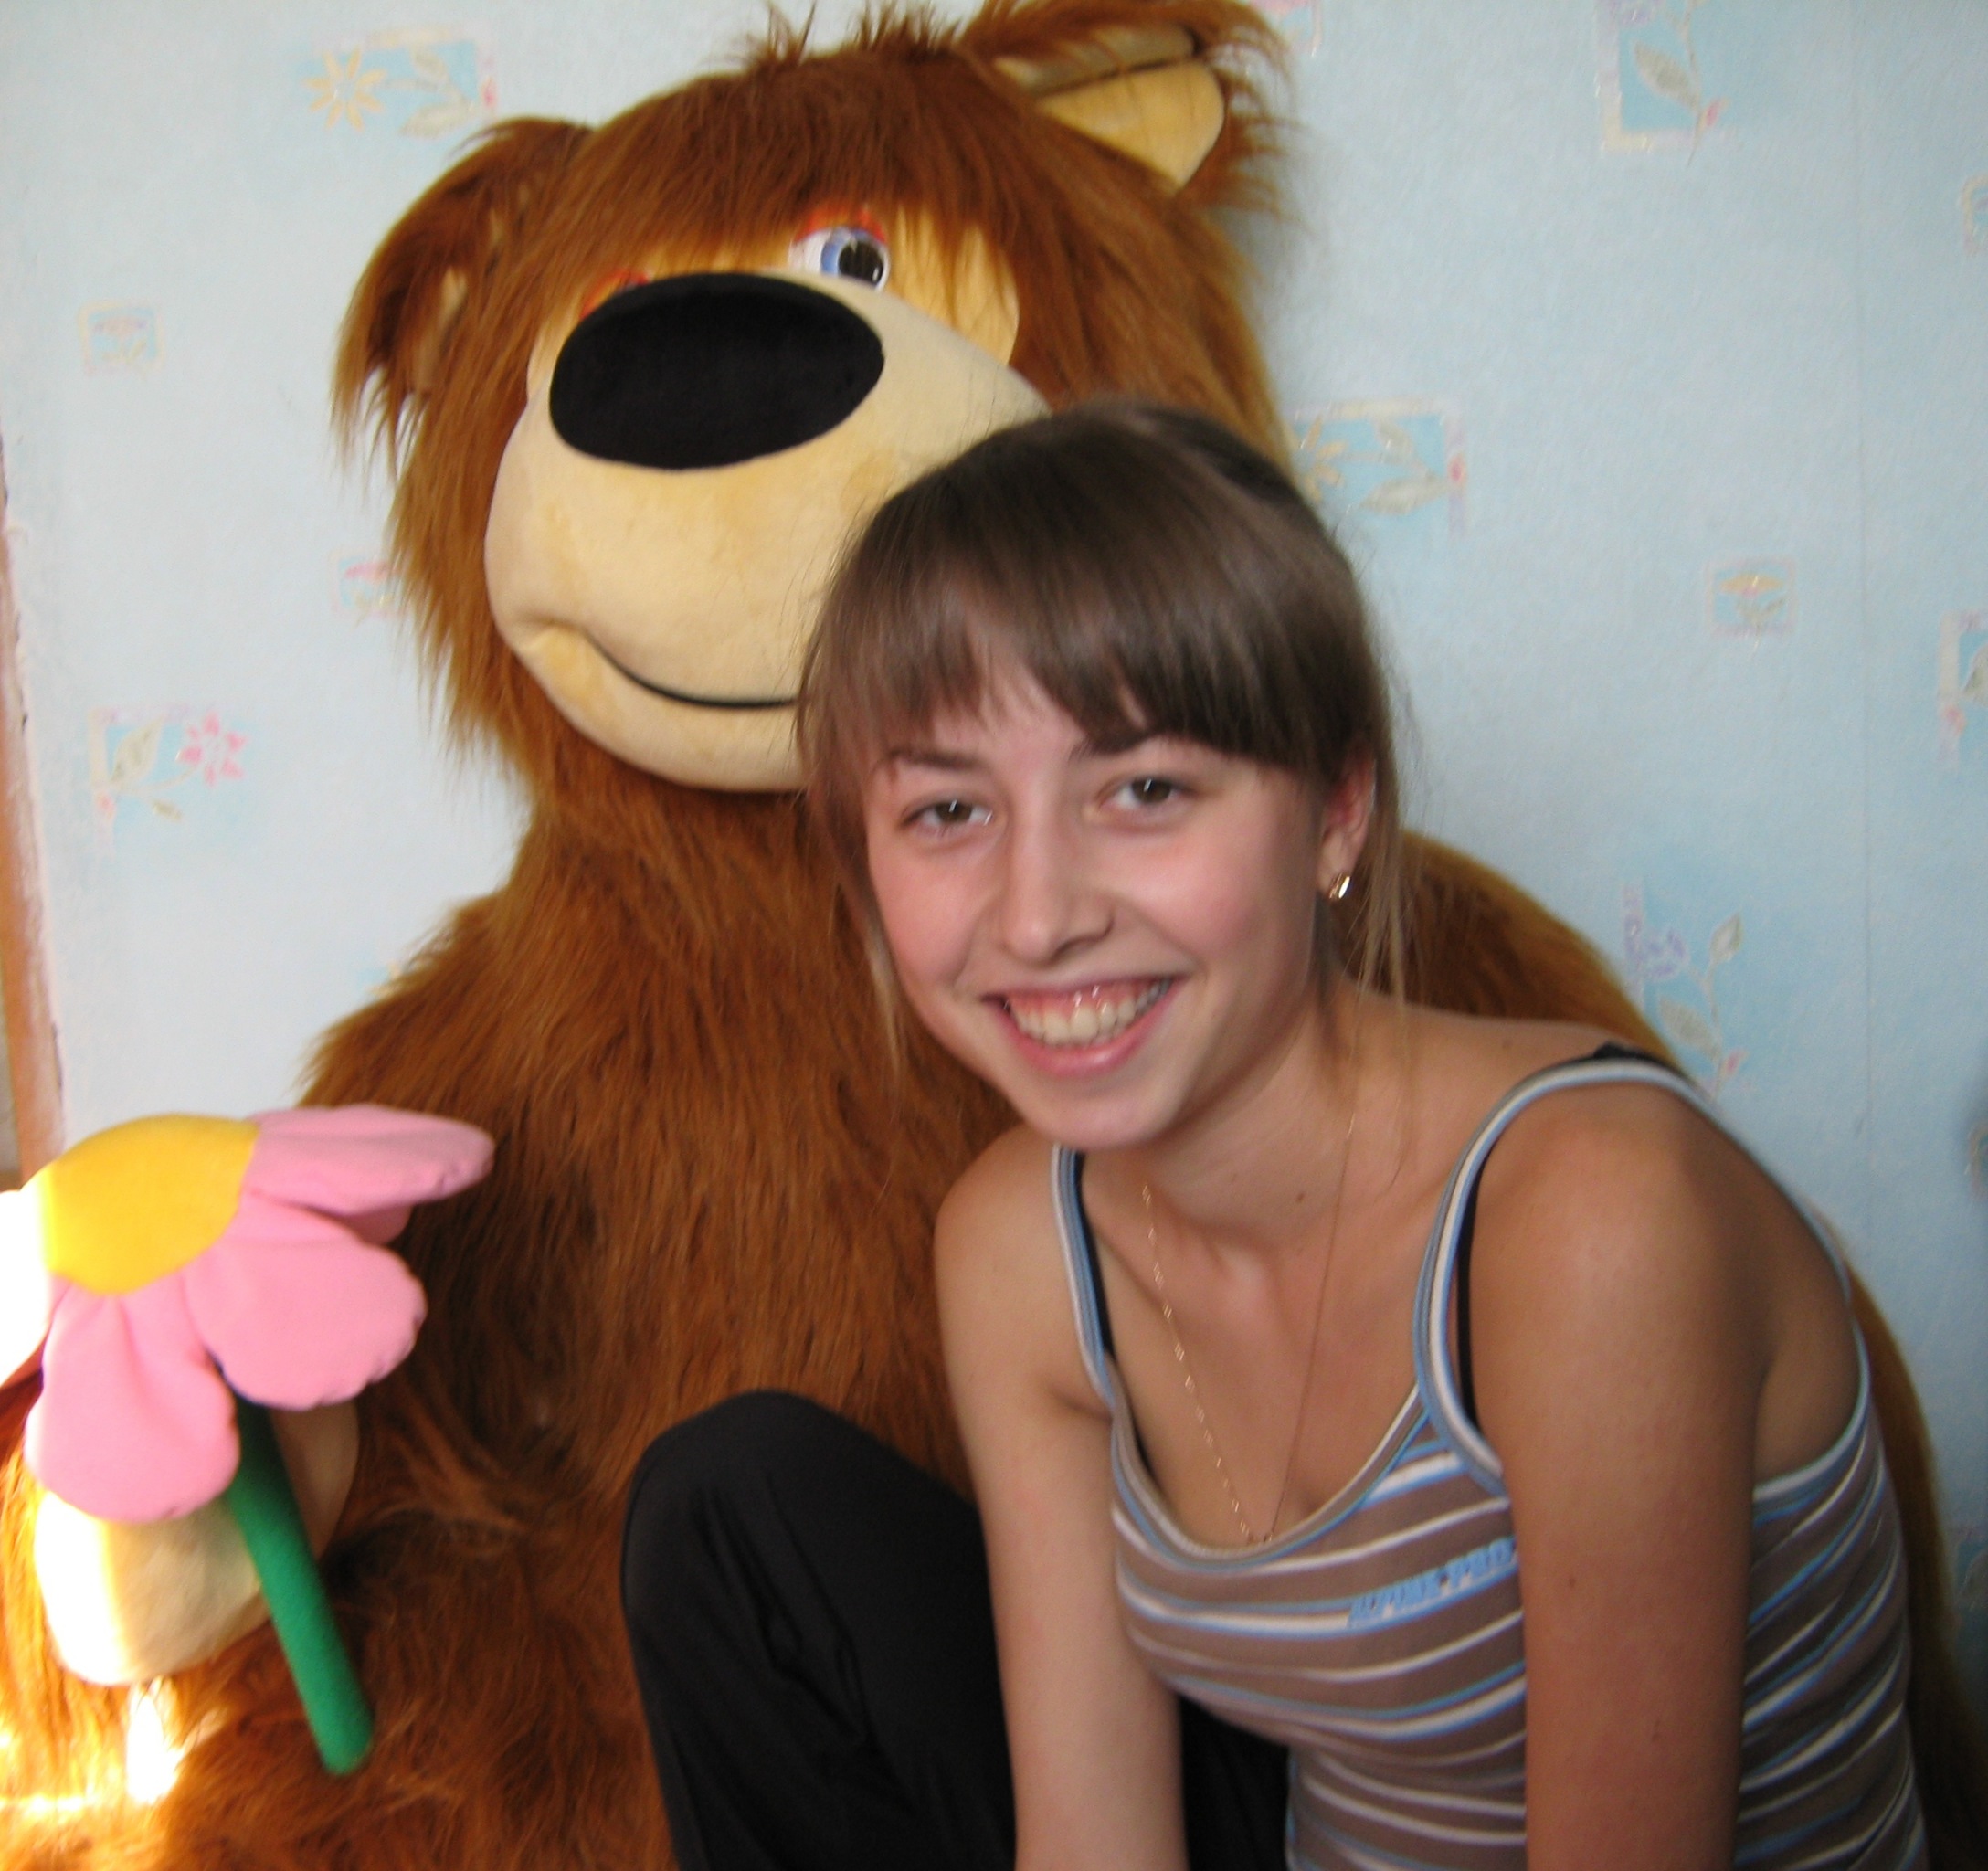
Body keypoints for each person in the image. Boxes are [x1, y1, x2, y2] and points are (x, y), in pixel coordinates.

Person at [621, 402, 1926, 1870]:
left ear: (1338, 811)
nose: (1038, 917)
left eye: (1146, 789)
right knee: (726, 1510)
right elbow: (1095, 1843)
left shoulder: (1593, 1218)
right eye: (946, 812)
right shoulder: (1021, 1245)